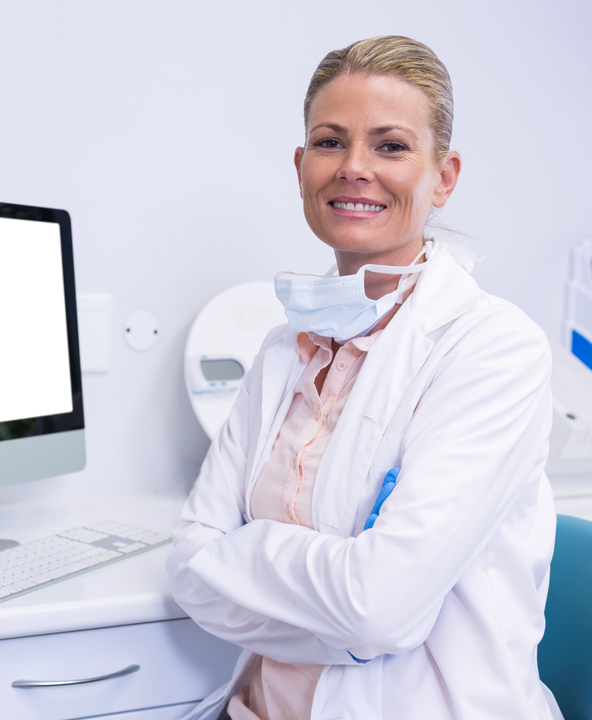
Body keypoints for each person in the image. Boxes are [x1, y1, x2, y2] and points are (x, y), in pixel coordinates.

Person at [167, 36, 560, 720]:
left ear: (443, 176)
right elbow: (189, 568)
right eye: (329, 142)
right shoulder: (284, 348)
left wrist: (245, 552)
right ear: (300, 167)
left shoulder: (493, 350)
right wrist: (341, 614)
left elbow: (379, 611)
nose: (354, 168)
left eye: (391, 146)